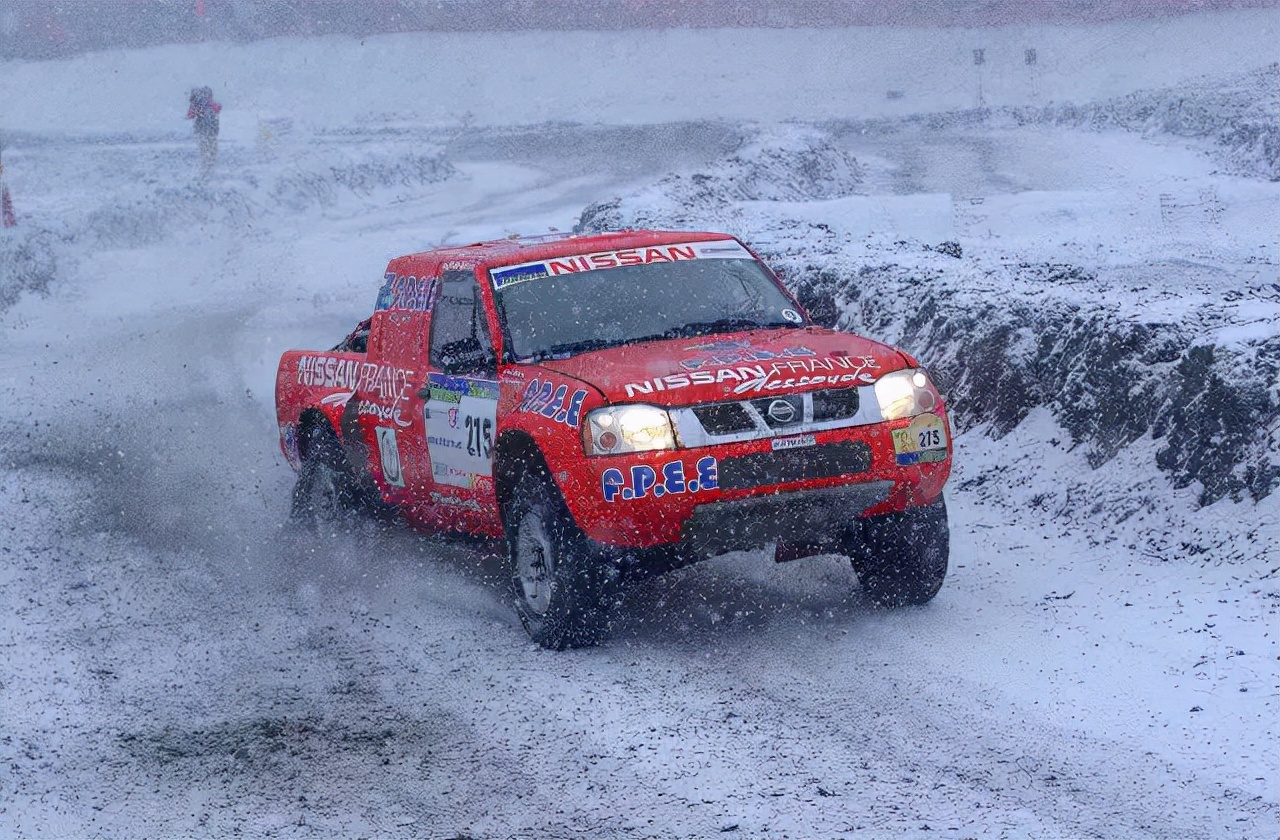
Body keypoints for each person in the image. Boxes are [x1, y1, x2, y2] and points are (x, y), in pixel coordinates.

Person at [186, 86, 222, 169]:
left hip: (201, 130)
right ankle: (211, 163)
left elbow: (190, 115)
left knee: (204, 147)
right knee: (212, 147)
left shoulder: (196, 103)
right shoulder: (209, 102)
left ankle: (206, 162)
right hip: (211, 130)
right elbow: (218, 108)